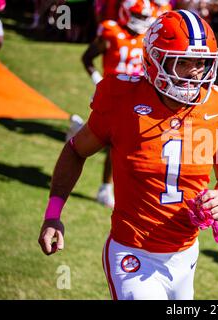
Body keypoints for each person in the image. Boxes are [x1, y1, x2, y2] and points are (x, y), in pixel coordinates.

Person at [38, 9, 218, 300]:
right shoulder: (122, 99)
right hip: (133, 253)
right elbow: (75, 151)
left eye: (201, 62)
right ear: (155, 59)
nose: (195, 71)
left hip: (185, 254)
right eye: (183, 62)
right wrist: (52, 215)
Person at [74, 0, 155, 208]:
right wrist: (97, 80)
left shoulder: (147, 37)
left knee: (126, 142)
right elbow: (87, 58)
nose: (141, 21)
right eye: (137, 16)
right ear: (125, 12)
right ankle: (105, 188)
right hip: (111, 94)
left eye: (144, 17)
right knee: (114, 141)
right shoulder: (111, 30)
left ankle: (78, 133)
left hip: (136, 96)